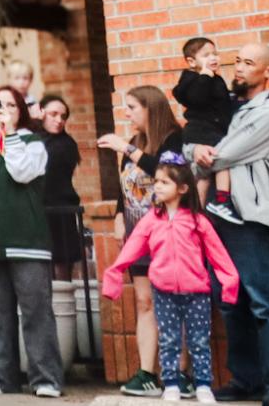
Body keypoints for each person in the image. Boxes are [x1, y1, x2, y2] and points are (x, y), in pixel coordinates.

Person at [193, 44, 269, 406]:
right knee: (229, 302)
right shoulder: (233, 109)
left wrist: (200, 154)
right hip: (219, 219)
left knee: (264, 303)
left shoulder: (267, 112)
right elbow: (200, 154)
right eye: (237, 61)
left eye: (249, 63)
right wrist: (194, 152)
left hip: (249, 218)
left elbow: (223, 155)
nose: (239, 68)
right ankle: (246, 380)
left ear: (268, 72)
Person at [102, 157, 239, 404]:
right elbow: (132, 248)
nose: (158, 186)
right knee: (169, 339)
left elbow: (218, 254)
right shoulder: (151, 220)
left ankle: (203, 385)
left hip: (196, 291)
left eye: (165, 182)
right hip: (163, 290)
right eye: (157, 181)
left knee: (198, 340)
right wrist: (114, 272)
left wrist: (229, 284)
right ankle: (172, 384)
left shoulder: (198, 221)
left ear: (183, 188)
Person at [0, 84, 63, 398]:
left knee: (35, 312)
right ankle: (3, 376)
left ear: (20, 111)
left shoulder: (33, 142)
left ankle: (46, 378)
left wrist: (10, 133)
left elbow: (21, 172)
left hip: (26, 239)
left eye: (10, 106)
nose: (3, 110)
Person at [98, 84, 184, 397]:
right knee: (144, 302)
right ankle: (147, 373)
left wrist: (127, 149)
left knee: (175, 303)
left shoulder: (174, 138)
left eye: (133, 107)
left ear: (150, 108)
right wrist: (120, 217)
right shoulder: (133, 144)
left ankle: (180, 373)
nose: (127, 113)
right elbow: (127, 188)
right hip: (138, 236)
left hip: (168, 234)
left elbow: (167, 172)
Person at [174, 38, 236, 223]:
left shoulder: (216, 80)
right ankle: (199, 210)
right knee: (210, 169)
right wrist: (206, 74)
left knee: (215, 168)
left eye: (215, 53)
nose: (213, 58)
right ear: (192, 62)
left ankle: (219, 202)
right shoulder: (192, 79)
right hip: (200, 132)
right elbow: (197, 98)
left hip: (216, 131)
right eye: (206, 55)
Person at [38, 95, 85, 281]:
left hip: (59, 212)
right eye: (53, 114)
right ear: (41, 113)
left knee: (60, 274)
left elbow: (46, 167)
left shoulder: (65, 144)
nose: (59, 120)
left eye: (63, 116)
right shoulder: (34, 138)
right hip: (39, 213)